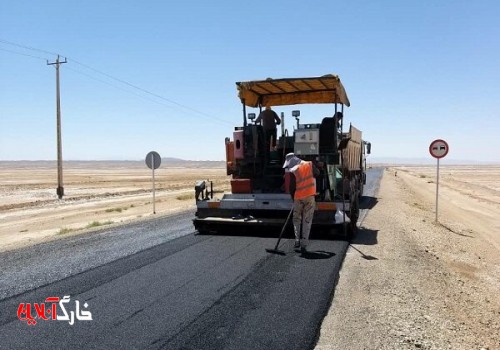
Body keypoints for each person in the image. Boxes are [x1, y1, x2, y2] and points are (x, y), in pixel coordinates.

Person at [283, 153, 319, 254]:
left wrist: (293, 199)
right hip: (310, 197)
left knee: (296, 219)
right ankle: (304, 245)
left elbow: (291, 187)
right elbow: (318, 173)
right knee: (307, 221)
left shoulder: (293, 170)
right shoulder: (309, 164)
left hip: (298, 197)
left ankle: (297, 240)